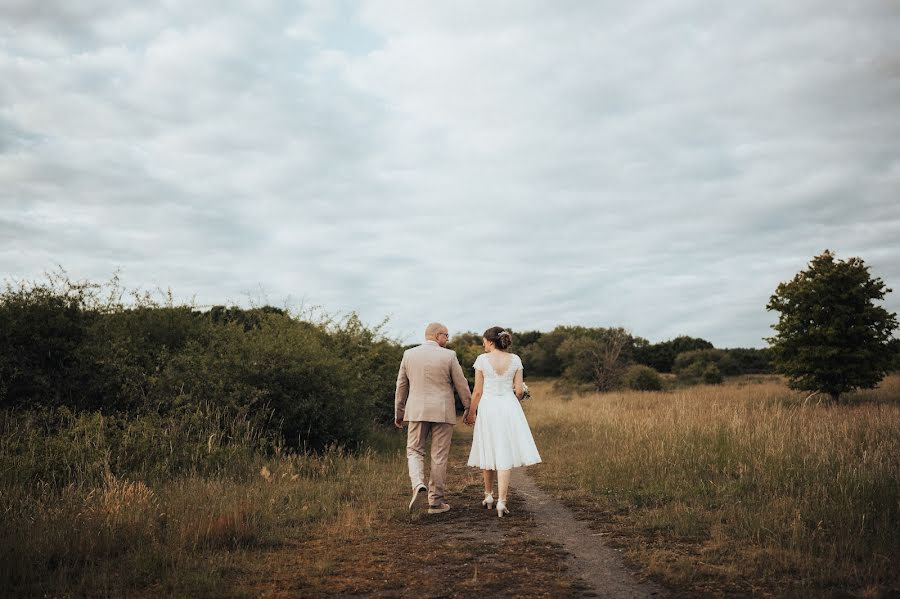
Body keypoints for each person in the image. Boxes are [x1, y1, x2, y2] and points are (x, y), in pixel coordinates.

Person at [395, 322, 472, 514]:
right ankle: (435, 502)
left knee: (414, 450)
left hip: (416, 411)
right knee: (439, 456)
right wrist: (469, 408)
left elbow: (401, 386)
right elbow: (461, 384)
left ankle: (418, 484)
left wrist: (399, 412)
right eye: (446, 335)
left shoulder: (409, 354)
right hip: (443, 411)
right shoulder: (449, 355)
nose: (448, 339)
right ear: (438, 336)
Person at [465, 327, 541, 517]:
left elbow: (477, 391)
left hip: (489, 407)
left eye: (484, 340)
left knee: (488, 448)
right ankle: (501, 501)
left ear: (490, 341)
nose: (483, 344)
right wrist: (521, 393)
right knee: (504, 451)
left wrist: (471, 412)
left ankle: (488, 495)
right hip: (509, 407)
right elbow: (519, 392)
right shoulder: (515, 360)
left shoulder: (482, 360)